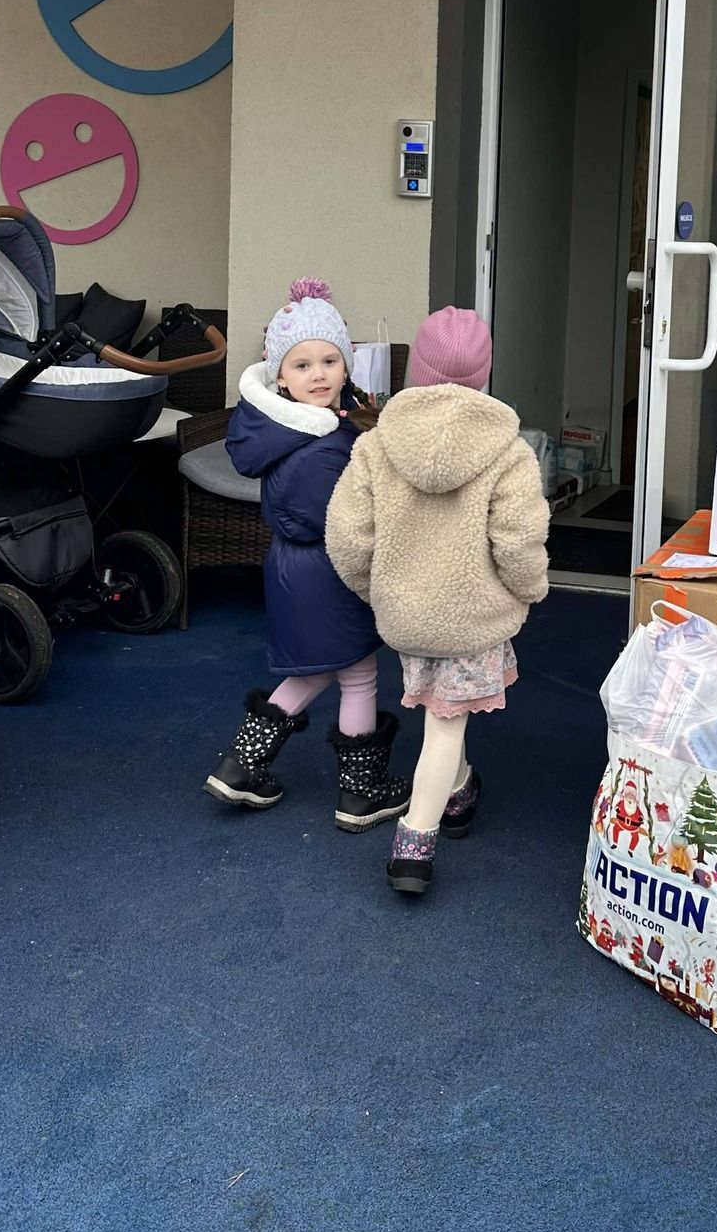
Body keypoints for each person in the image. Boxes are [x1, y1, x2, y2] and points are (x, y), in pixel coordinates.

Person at [326, 306, 549, 896]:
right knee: (445, 725)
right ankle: (414, 846)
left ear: (417, 370)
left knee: (445, 707)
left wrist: (378, 591)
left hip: (407, 612)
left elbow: (347, 537)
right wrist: (529, 589)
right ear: (484, 374)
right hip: (473, 617)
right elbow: (519, 541)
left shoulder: (376, 445)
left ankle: (460, 791)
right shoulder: (508, 452)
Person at [203, 278, 409, 831]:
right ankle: (361, 793)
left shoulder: (284, 430)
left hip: (294, 569)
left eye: (329, 361)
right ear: (280, 376)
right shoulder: (320, 445)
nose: (318, 374)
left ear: (346, 366)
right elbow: (338, 520)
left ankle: (241, 766)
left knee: (315, 672)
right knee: (357, 673)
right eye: (302, 365)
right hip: (328, 569)